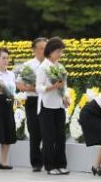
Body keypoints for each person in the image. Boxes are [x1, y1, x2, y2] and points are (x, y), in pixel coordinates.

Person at [36, 37, 70, 175]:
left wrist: (66, 97)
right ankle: (50, 166)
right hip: (46, 106)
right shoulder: (43, 67)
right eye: (58, 51)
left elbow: (65, 86)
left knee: (60, 137)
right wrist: (53, 87)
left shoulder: (60, 67)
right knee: (49, 138)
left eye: (61, 51)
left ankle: (61, 164)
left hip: (59, 106)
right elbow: (38, 88)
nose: (60, 54)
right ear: (50, 51)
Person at [16, 37, 47, 172]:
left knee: (48, 132)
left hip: (48, 100)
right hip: (33, 100)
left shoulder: (52, 64)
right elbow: (19, 84)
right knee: (35, 132)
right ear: (34, 50)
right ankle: (36, 162)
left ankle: (47, 159)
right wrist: (34, 88)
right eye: (41, 48)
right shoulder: (28, 65)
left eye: (46, 47)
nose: (44, 50)